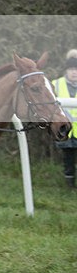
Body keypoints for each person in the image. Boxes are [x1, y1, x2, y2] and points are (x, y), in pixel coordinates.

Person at [52, 51, 77, 189]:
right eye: (71, 70)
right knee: (68, 160)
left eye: (76, 70)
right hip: (65, 131)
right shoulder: (56, 84)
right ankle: (70, 186)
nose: (74, 73)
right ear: (66, 71)